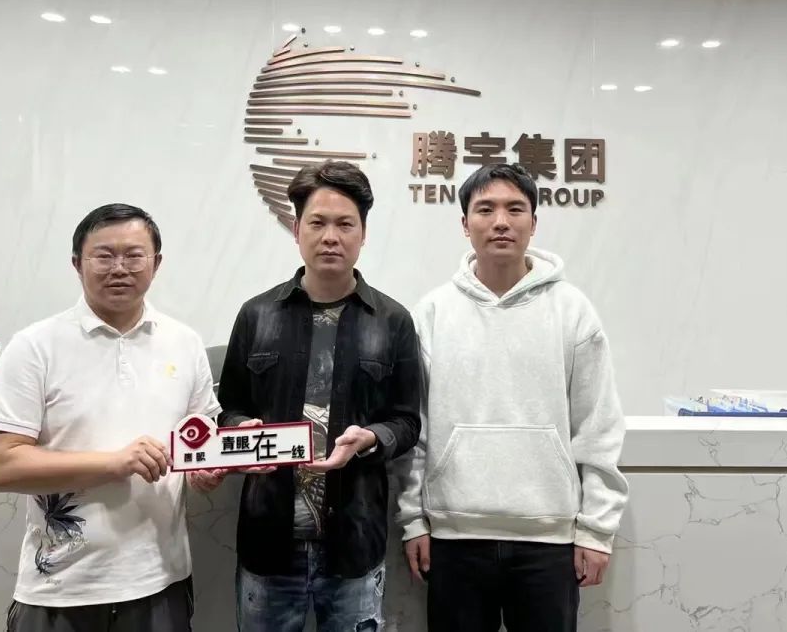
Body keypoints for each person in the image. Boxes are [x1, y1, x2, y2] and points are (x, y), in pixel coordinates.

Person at [396, 163, 629, 632]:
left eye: (514, 209)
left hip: (550, 541)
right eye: (485, 209)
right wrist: (414, 520)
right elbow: (415, 428)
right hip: (453, 539)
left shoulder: (572, 310)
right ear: (465, 224)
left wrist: (596, 528)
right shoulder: (433, 312)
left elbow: (597, 424)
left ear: (533, 223)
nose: (500, 221)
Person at [0, 203, 223, 632]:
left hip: (160, 582)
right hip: (59, 589)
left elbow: (200, 439)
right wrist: (115, 463)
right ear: (77, 263)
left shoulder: (184, 344)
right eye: (104, 255)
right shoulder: (34, 346)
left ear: (156, 263)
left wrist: (208, 469)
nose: (120, 268)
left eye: (134, 256)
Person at [217, 161, 420, 632]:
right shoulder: (256, 315)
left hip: (354, 543)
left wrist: (370, 438)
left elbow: (407, 421)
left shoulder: (393, 321)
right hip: (268, 543)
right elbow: (229, 408)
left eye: (345, 224)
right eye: (318, 223)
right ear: (296, 230)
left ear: (363, 234)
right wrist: (241, 430)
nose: (331, 236)